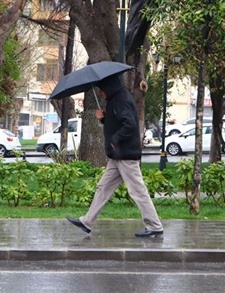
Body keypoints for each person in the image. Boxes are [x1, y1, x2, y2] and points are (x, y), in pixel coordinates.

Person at [66, 75, 163, 238]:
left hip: (125, 155)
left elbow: (129, 125)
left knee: (138, 191)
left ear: (108, 87)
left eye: (101, 89)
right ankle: (87, 221)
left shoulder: (121, 100)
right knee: (103, 188)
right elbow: (118, 122)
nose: (100, 93)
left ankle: (155, 225)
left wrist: (114, 140)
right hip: (117, 155)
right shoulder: (116, 99)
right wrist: (104, 119)